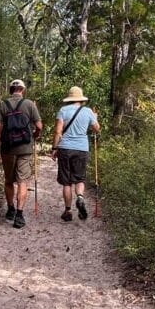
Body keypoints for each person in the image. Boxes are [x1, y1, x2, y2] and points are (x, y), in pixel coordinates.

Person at [0, 79, 42, 229]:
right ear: (22, 90)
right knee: (22, 181)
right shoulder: (29, 104)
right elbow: (39, 125)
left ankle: (10, 209)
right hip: (25, 148)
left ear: (10, 90)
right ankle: (19, 214)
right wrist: (35, 135)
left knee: (8, 180)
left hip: (8, 148)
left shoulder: (2, 105)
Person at [50, 86, 100, 222]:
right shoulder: (88, 111)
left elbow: (58, 131)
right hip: (81, 149)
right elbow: (97, 128)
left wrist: (54, 148)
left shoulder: (63, 110)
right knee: (79, 179)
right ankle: (80, 197)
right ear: (81, 99)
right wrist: (94, 118)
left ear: (69, 99)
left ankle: (68, 211)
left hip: (65, 148)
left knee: (66, 182)